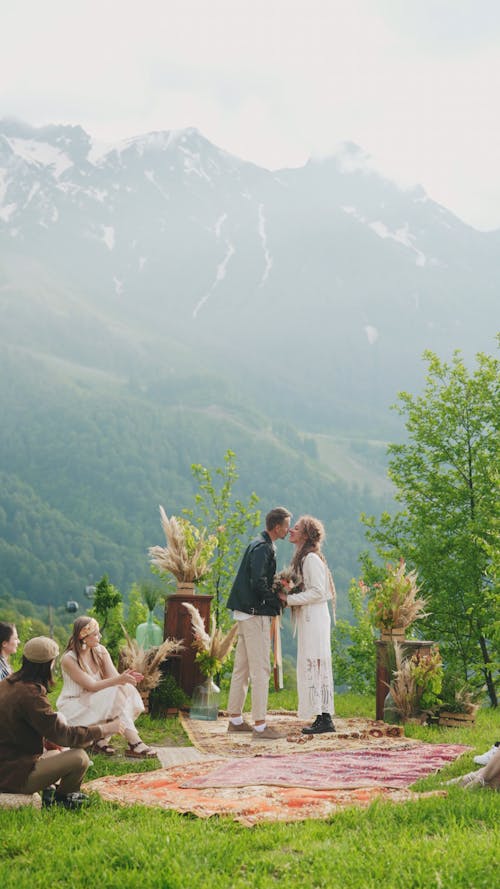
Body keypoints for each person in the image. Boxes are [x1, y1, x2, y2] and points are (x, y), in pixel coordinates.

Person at [0, 636, 123, 807]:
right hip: (12, 776)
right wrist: (105, 729)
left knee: (55, 753)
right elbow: (64, 735)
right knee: (79, 758)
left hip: (9, 764)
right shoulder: (31, 694)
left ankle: (54, 792)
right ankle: (64, 799)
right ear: (49, 664)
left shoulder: (8, 683)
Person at [226, 506, 291, 740]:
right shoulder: (264, 548)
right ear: (276, 527)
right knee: (261, 669)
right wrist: (275, 602)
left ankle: (235, 719)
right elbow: (258, 583)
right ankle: (261, 726)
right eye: (286, 525)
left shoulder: (257, 543)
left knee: (241, 668)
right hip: (255, 615)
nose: (288, 529)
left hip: (243, 613)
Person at [57, 616, 156, 758]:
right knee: (117, 691)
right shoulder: (68, 659)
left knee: (126, 689)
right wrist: (120, 679)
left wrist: (126, 678)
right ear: (83, 637)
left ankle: (100, 740)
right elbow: (91, 686)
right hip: (74, 706)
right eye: (96, 634)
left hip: (92, 700)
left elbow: (114, 679)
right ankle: (135, 743)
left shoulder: (100, 650)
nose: (100, 636)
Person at [281, 515, 336, 734]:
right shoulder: (304, 557)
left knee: (317, 662)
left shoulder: (311, 559)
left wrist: (289, 599)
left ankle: (325, 718)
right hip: (311, 618)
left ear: (305, 535)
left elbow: (319, 591)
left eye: (296, 528)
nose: (291, 531)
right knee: (313, 662)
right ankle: (321, 716)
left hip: (315, 619)